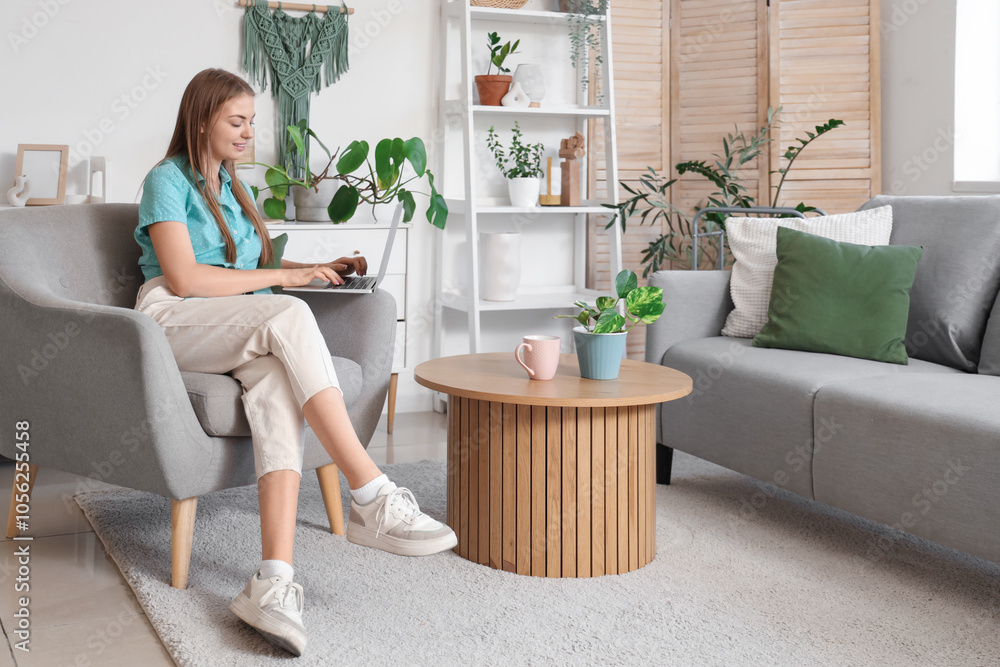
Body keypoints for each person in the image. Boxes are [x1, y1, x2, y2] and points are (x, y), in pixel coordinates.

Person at [132, 68, 456, 657]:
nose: (248, 132)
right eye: (236, 120)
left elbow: (244, 276)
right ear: (200, 118)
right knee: (287, 311)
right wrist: (285, 277)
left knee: (280, 387)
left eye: (252, 121)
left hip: (235, 319)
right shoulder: (166, 180)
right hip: (172, 317)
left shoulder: (236, 189)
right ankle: (371, 494)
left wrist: (314, 266)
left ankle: (273, 580)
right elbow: (183, 276)